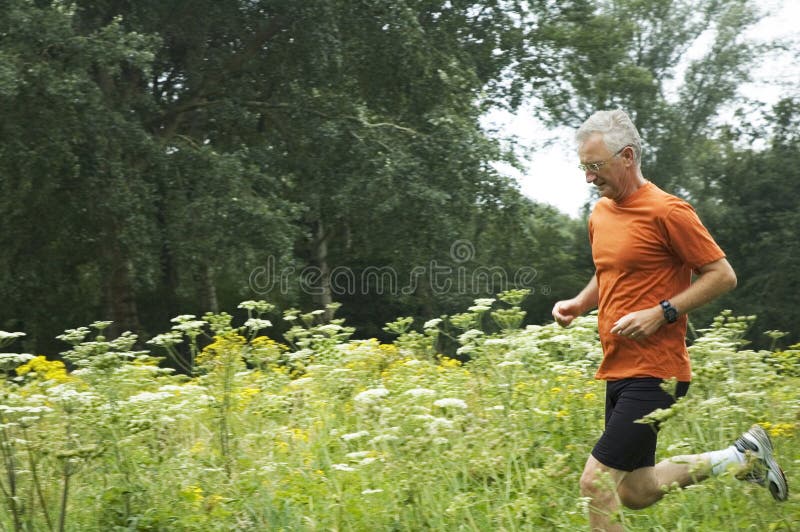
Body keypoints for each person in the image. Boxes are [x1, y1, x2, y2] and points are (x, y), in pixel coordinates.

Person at [551, 109, 788, 531]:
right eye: (583, 167)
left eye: (595, 166)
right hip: (618, 368)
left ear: (627, 156)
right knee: (635, 491)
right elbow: (610, 270)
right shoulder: (601, 213)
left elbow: (722, 275)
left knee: (596, 482)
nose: (589, 178)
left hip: (656, 371)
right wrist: (579, 303)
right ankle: (743, 456)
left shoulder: (668, 211)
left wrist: (662, 313)